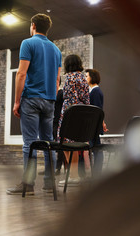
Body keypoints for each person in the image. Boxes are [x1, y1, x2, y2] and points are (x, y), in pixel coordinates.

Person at [6, 13, 62, 195]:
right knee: (49, 143)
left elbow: (21, 74)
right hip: (49, 101)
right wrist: (51, 98)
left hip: (31, 99)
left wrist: (16, 102)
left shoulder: (27, 43)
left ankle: (28, 185)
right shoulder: (56, 50)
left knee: (29, 143)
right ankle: (49, 183)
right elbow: (57, 80)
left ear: (33, 26)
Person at [57, 54, 90, 187]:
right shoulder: (83, 78)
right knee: (74, 145)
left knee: (64, 142)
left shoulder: (70, 77)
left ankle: (73, 175)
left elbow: (71, 98)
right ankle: (74, 175)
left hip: (70, 112)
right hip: (82, 114)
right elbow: (86, 99)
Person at [83, 69, 108, 177]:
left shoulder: (96, 91)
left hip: (93, 125)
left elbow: (97, 110)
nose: (85, 78)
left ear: (92, 77)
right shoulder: (93, 91)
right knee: (95, 148)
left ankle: (96, 173)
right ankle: (96, 173)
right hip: (94, 124)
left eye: (87, 76)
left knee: (96, 149)